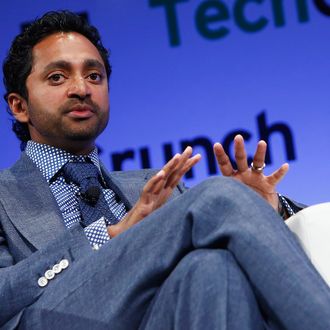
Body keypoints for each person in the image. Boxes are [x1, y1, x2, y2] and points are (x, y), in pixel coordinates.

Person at [0, 10, 328, 330]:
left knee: (212, 268)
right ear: (19, 105)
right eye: (57, 77)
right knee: (215, 196)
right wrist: (106, 236)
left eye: (94, 76)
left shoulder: (155, 185)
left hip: (169, 312)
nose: (82, 88)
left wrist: (261, 206)